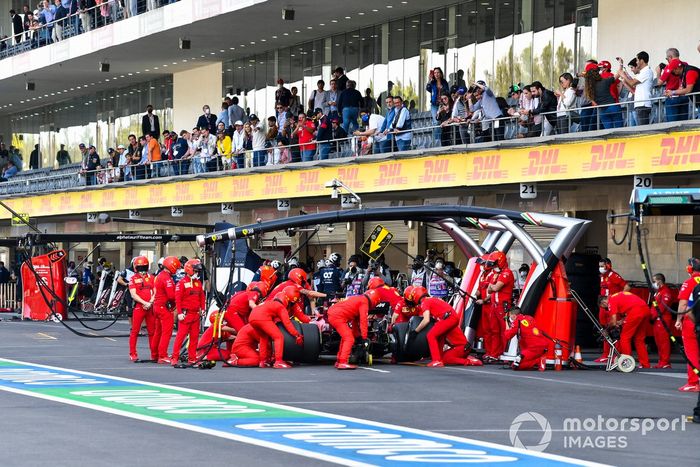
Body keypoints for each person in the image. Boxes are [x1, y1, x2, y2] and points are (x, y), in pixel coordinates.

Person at [406, 286, 482, 367]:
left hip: (457, 339)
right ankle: (437, 358)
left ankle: (438, 360)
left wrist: (415, 331)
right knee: (439, 336)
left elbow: (426, 320)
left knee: (431, 335)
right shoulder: (433, 299)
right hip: (460, 339)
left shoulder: (425, 302)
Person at [248, 286, 304, 369]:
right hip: (262, 318)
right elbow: (287, 323)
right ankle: (278, 361)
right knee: (278, 337)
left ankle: (263, 361)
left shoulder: (269, 302)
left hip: (252, 317)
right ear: (287, 300)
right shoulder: (280, 307)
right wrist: (297, 335)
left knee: (263, 337)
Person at [327, 289, 381, 370]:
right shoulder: (364, 302)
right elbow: (363, 321)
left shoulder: (359, 299)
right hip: (337, 316)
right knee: (349, 339)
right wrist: (364, 338)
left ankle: (339, 360)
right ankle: (342, 362)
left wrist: (358, 336)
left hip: (333, 314)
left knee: (345, 337)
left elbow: (355, 322)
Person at [600, 292, 651, 369]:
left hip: (635, 312)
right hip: (645, 309)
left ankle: (627, 362)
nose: (607, 309)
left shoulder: (611, 301)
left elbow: (613, 322)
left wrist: (606, 330)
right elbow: (630, 307)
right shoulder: (618, 295)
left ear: (604, 302)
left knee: (624, 337)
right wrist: (622, 321)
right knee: (639, 339)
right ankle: (645, 364)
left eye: (605, 307)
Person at [170, 259, 206, 366]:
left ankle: (192, 358)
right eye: (195, 271)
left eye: (198, 271)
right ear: (189, 270)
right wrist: (180, 313)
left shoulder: (198, 283)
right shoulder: (181, 283)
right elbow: (178, 299)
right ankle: (175, 357)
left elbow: (202, 297)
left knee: (194, 338)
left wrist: (203, 308)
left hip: (196, 314)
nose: (197, 273)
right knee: (180, 337)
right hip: (186, 314)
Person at [675, 258, 700, 392]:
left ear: (690, 269)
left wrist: (678, 320)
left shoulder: (689, 282)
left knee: (691, 353)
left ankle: (693, 382)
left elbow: (683, 304)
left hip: (692, 321)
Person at [484, 251, 514, 363]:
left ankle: (505, 353)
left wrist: (492, 286)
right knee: (494, 330)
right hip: (494, 306)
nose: (493, 266)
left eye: (494, 263)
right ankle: (494, 354)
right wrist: (492, 286)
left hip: (503, 306)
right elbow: (489, 289)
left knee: (504, 331)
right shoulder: (497, 274)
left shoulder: (507, 273)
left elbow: (495, 288)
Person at [596, 258, 627, 363]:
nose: (601, 268)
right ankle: (605, 354)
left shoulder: (614, 276)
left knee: (615, 330)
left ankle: (616, 354)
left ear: (608, 265)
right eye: (600, 266)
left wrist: (619, 299)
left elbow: (626, 287)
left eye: (602, 265)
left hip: (612, 306)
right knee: (604, 329)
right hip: (603, 306)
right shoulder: (602, 277)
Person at [128, 256, 157, 362]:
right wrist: (145, 303)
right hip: (140, 307)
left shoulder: (152, 277)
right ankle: (133, 353)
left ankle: (154, 354)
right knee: (135, 331)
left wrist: (150, 302)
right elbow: (133, 294)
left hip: (150, 307)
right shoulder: (133, 278)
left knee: (152, 331)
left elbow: (155, 291)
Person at [151, 256, 180, 364]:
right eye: (176, 268)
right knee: (166, 333)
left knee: (158, 332)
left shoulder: (159, 275)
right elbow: (171, 295)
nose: (177, 270)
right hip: (164, 308)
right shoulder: (166, 278)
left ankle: (154, 354)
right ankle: (162, 355)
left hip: (157, 306)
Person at [616, 51, 654, 125]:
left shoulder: (647, 71)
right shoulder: (643, 72)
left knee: (643, 130)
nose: (636, 62)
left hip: (643, 104)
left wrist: (623, 75)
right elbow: (632, 84)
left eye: (637, 60)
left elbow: (632, 83)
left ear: (642, 60)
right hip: (640, 104)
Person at [584, 64, 623, 129]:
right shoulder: (605, 81)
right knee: (620, 131)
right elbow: (618, 74)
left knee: (609, 133)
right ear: (597, 72)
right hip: (613, 107)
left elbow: (593, 102)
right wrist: (621, 64)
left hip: (602, 110)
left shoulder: (588, 88)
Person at [663, 58, 700, 122]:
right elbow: (682, 88)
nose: (672, 73)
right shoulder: (683, 73)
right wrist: (670, 92)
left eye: (672, 71)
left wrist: (673, 92)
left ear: (677, 68)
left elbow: (688, 90)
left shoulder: (690, 72)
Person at [650, 273, 674, 369]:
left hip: (663, 319)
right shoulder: (658, 292)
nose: (653, 283)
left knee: (663, 342)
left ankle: (665, 362)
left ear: (659, 281)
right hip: (657, 320)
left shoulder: (665, 292)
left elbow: (662, 307)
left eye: (654, 281)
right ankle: (661, 361)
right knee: (658, 342)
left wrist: (652, 316)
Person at [426, 67, 449, 142]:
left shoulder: (444, 82)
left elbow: (447, 92)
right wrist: (429, 80)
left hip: (442, 104)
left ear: (441, 74)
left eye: (438, 72)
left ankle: (443, 139)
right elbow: (428, 88)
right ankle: (437, 140)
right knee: (436, 121)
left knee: (443, 121)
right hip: (434, 104)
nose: (436, 74)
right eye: (435, 73)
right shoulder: (432, 83)